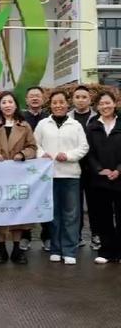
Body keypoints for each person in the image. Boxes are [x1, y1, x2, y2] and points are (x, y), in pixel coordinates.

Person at [35, 90, 89, 265]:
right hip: (49, 176)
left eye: (61, 102)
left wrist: (68, 155)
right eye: (55, 103)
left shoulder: (75, 125)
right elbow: (34, 144)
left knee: (71, 214)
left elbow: (83, 147)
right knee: (54, 214)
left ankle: (69, 250)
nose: (58, 105)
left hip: (70, 175)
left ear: (67, 104)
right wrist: (42, 154)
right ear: (50, 105)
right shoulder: (43, 124)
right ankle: (56, 249)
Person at [0, 91, 37, 265]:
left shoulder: (25, 126)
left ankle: (16, 249)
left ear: (16, 105)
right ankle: (1, 249)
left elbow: (33, 147)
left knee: (17, 214)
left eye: (10, 102)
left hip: (19, 176)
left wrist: (22, 154)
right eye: (4, 102)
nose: (7, 105)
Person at [86, 92, 121, 264]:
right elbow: (89, 152)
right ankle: (107, 251)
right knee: (103, 217)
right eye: (101, 104)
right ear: (97, 106)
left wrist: (118, 170)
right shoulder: (92, 126)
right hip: (100, 180)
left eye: (108, 103)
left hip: (120, 179)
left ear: (115, 104)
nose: (105, 106)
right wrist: (99, 169)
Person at [68, 85, 100, 250]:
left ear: (90, 99)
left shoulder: (98, 117)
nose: (80, 100)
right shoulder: (67, 118)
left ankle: (96, 235)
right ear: (73, 100)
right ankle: (76, 236)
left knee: (95, 204)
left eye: (84, 97)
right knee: (74, 205)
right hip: (72, 167)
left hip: (94, 169)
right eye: (77, 97)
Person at [20, 86, 50, 252]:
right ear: (26, 100)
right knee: (27, 203)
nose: (35, 99)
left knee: (45, 202)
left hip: (46, 168)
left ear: (43, 99)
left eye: (38, 96)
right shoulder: (21, 119)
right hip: (27, 168)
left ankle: (47, 237)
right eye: (31, 96)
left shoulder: (49, 117)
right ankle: (25, 236)